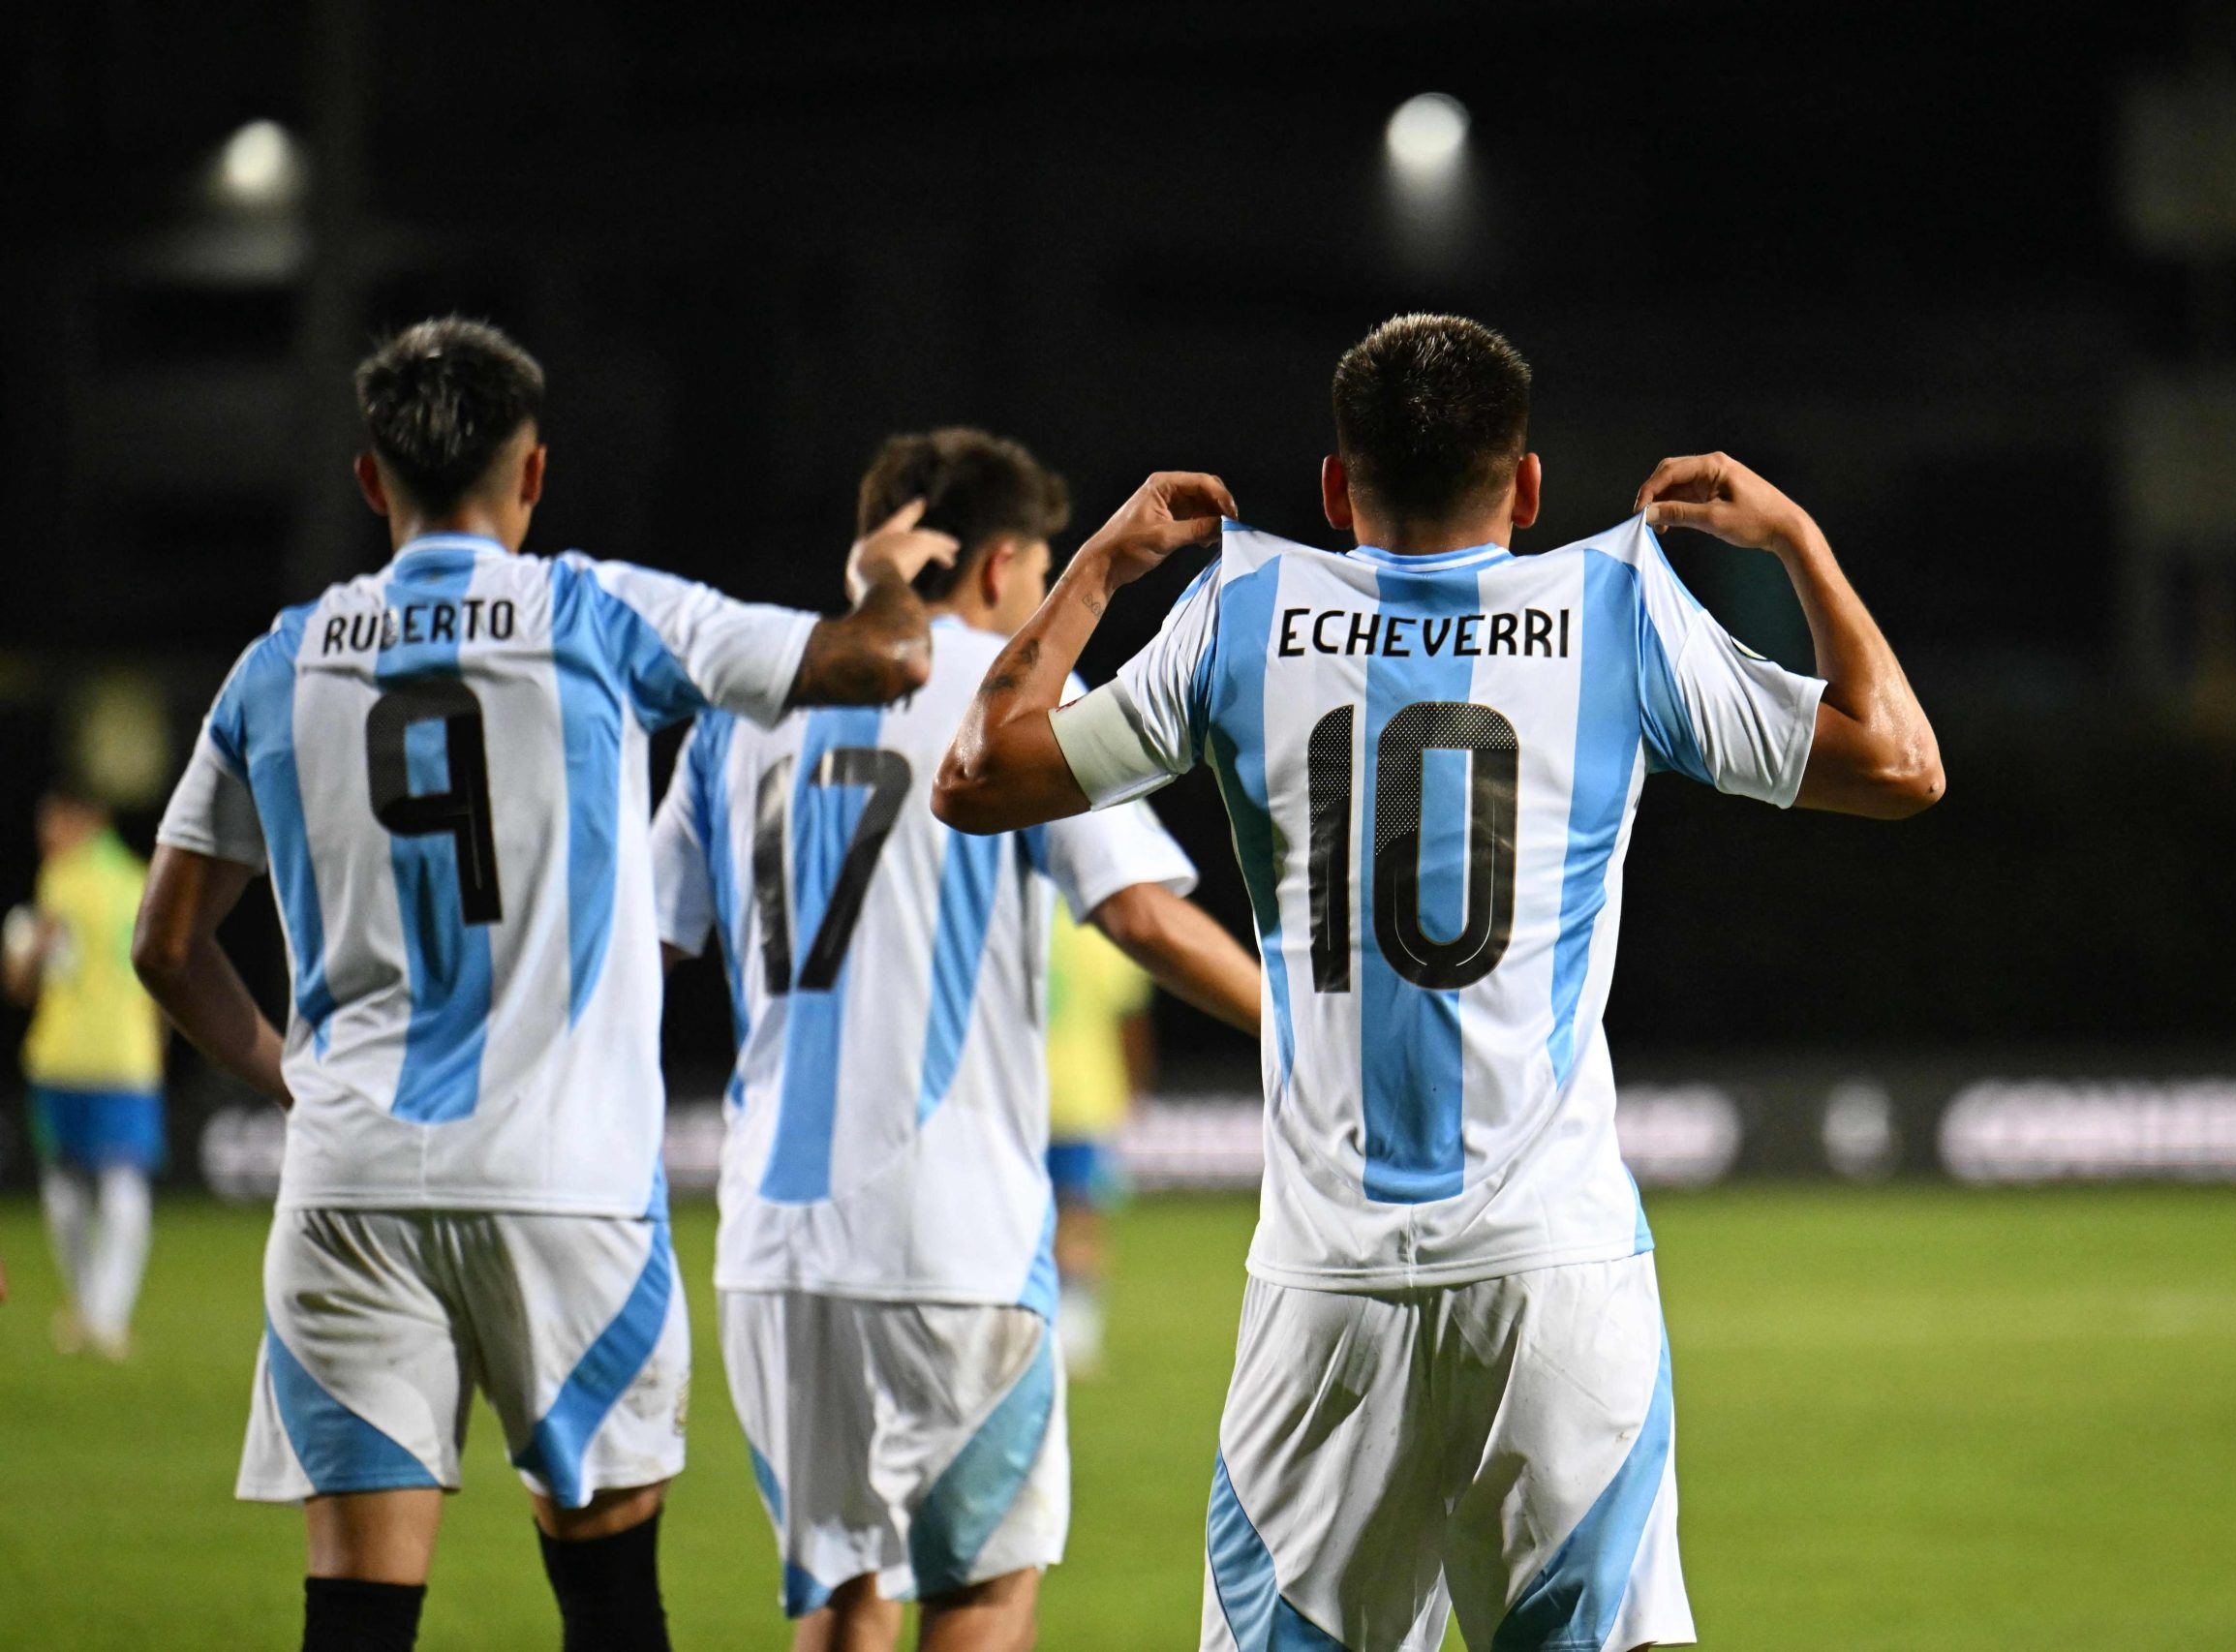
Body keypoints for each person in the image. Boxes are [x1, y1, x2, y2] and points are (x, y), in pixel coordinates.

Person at [934, 314, 1943, 1650]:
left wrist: (1104, 566)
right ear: (1526, 488)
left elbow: (980, 774)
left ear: (1338, 488)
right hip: (1555, 1280)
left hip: (1325, 1293)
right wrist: (1797, 540)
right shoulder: (1617, 603)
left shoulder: (1240, 608)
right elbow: (1901, 761)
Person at [131, 316, 957, 1652]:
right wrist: (884, 577)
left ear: (368, 480)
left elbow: (167, 945)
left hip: (350, 1185)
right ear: (531, 476)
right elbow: (885, 664)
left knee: (353, 1614)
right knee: (610, 1605)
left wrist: (295, 1078)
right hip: (562, 1186)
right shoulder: (597, 610)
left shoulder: (279, 660)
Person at [651, 427, 1262, 1652]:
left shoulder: (743, 711)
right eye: (1037, 573)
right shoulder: (1011, 690)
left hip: (774, 1241)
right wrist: (1305, 1030)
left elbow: (651, 945)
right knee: (981, 1590)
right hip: (952, 1232)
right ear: (996, 566)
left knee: (839, 1598)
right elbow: (1139, 910)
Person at [6, 787, 165, 1360]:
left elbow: (31, 976)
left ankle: (86, 1307)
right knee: (124, 1184)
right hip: (127, 1054)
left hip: (63, 1054)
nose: (46, 832)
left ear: (85, 820)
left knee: (66, 1183)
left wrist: (19, 957)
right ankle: (106, 1316)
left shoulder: (62, 879)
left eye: (54, 820)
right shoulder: (142, 878)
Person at [1042, 893, 1155, 1376]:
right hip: (1085, 1095)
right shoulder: (1096, 923)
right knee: (1081, 1215)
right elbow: (1129, 1013)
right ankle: (1077, 1334)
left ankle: (1034, 1327)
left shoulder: (1015, 913)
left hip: (1017, 1095)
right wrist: (1136, 1086)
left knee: (1025, 1215)